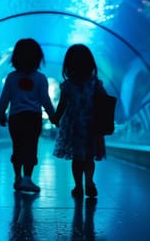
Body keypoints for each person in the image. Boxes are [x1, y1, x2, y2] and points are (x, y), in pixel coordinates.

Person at [0, 38, 56, 193]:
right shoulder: (40, 78)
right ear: (38, 58)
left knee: (17, 147)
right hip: (33, 118)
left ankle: (17, 178)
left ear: (15, 57)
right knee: (31, 148)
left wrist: (1, 114)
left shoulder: (11, 77)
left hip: (16, 118)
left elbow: (5, 98)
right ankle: (27, 179)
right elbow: (45, 99)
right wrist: (53, 116)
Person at [51, 44, 106, 198]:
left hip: (74, 127)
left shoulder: (67, 85)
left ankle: (78, 186)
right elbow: (105, 101)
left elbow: (62, 105)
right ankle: (89, 182)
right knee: (89, 157)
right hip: (91, 126)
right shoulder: (95, 83)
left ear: (68, 65)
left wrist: (55, 118)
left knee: (76, 158)